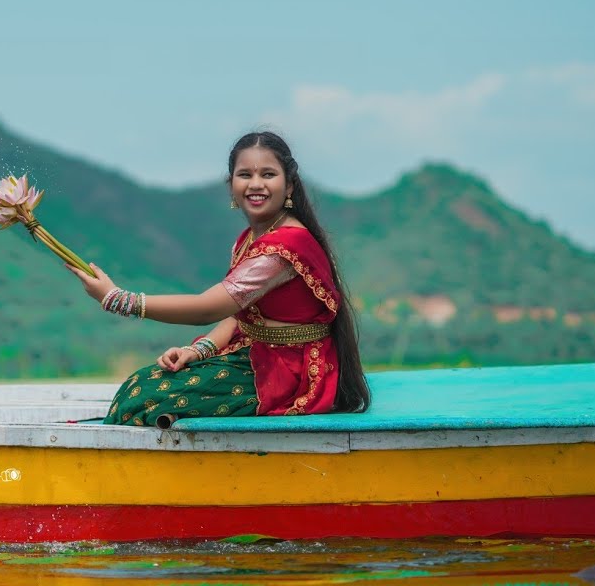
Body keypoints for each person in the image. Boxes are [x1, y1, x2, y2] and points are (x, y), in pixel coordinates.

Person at [68, 131, 370, 426]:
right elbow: (237, 314)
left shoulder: (282, 249)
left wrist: (118, 299)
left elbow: (207, 309)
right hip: (258, 352)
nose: (255, 184)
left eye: (268, 174)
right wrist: (198, 350)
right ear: (231, 186)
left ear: (289, 185)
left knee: (141, 397)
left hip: (291, 373)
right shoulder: (252, 238)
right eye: (245, 175)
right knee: (141, 385)